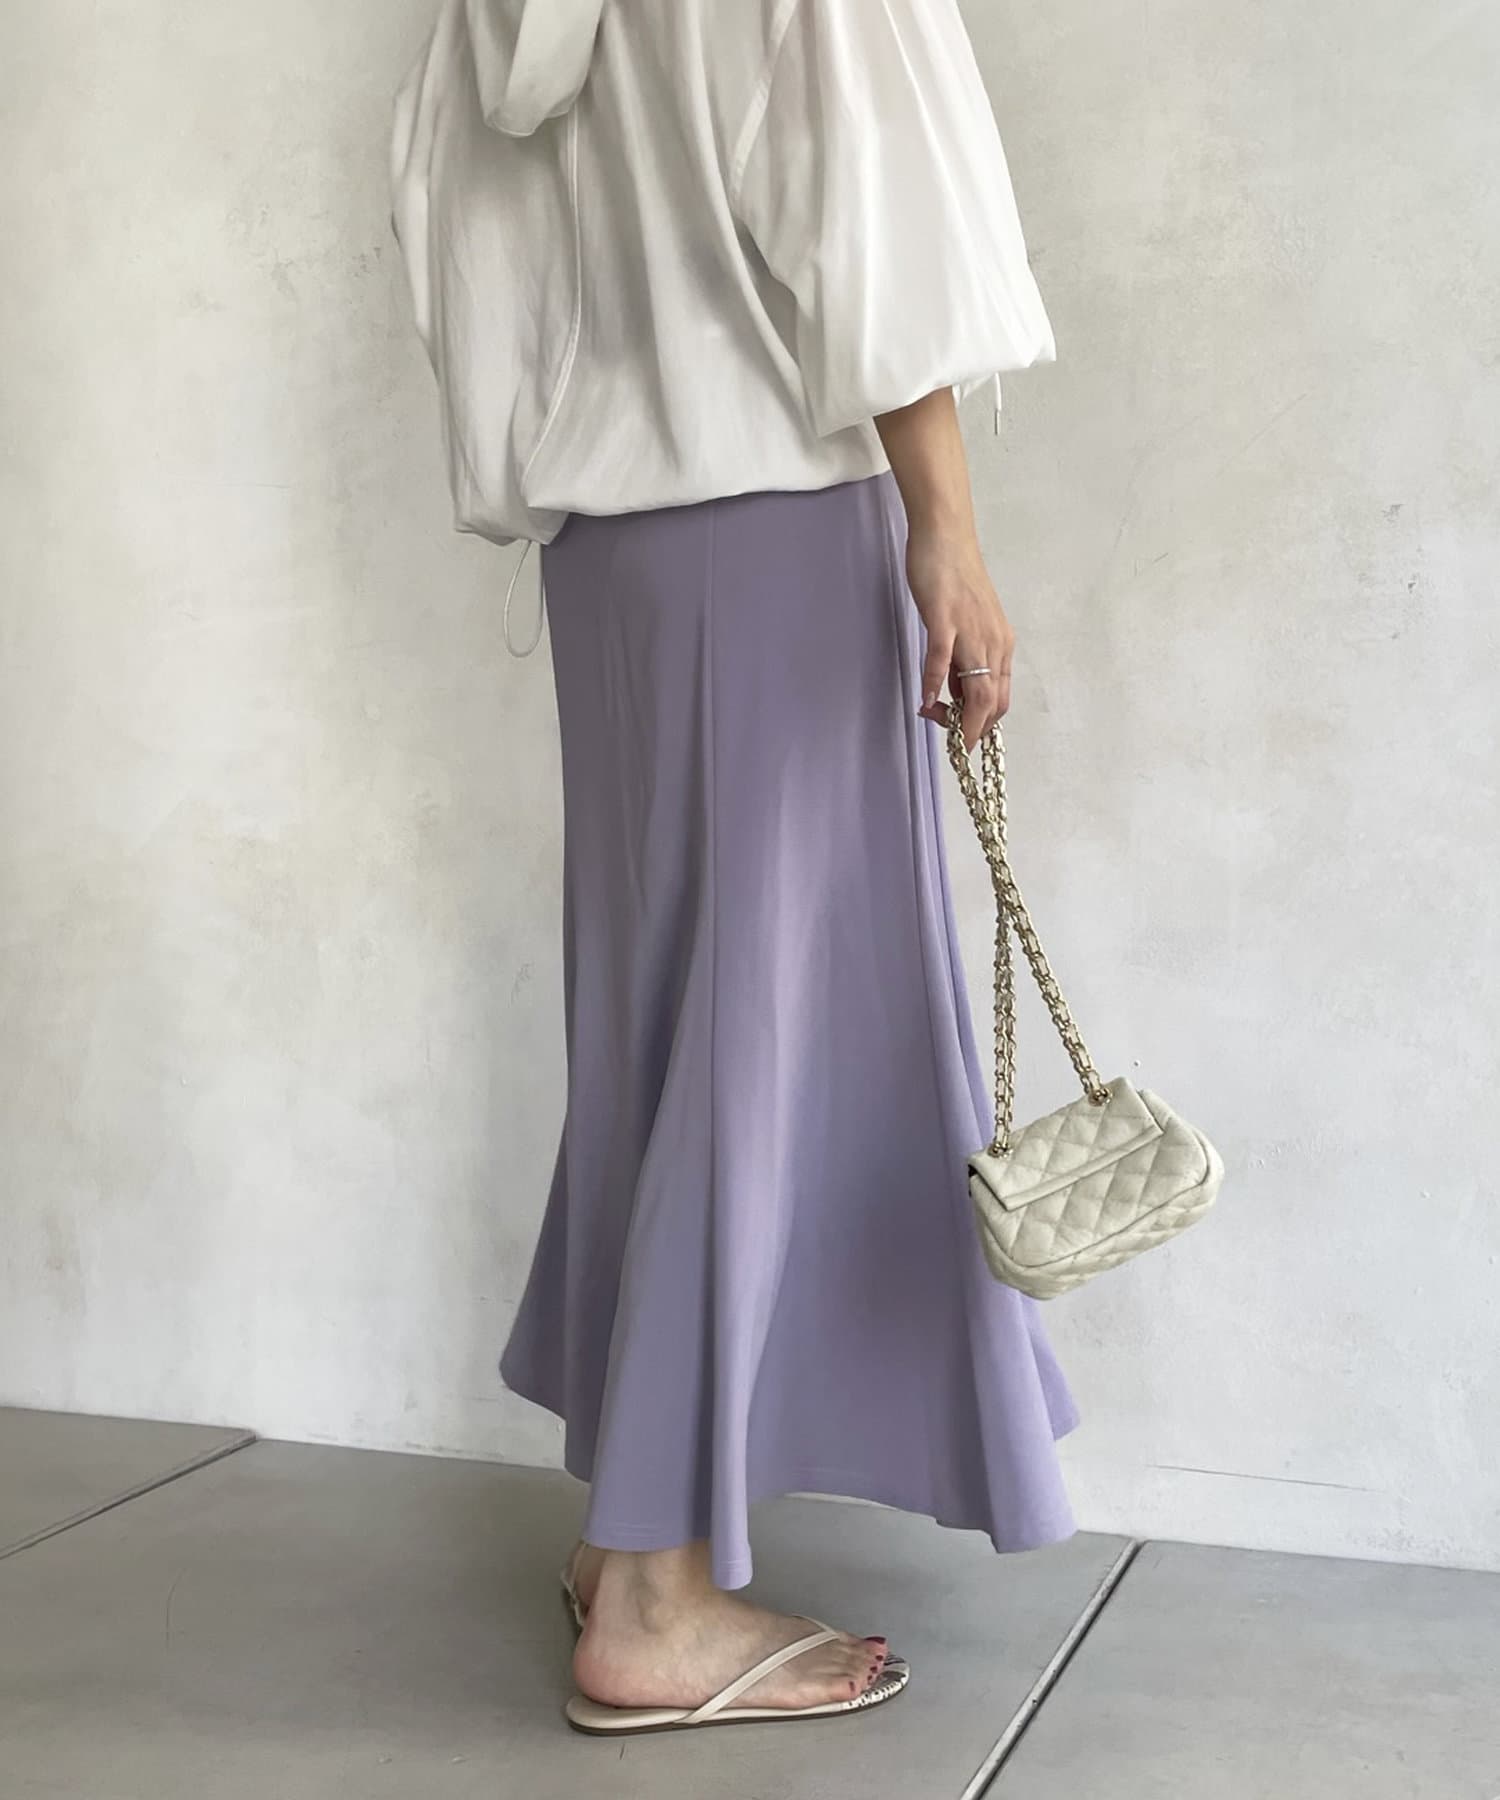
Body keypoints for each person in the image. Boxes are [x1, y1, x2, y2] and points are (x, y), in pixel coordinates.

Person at [390, 0, 1078, 1736]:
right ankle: (653, 1598)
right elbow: (867, 206)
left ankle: (632, 1525)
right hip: (775, 519)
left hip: (616, 555)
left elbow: (453, 205)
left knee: (669, 1032)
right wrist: (947, 527)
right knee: (745, 1044)